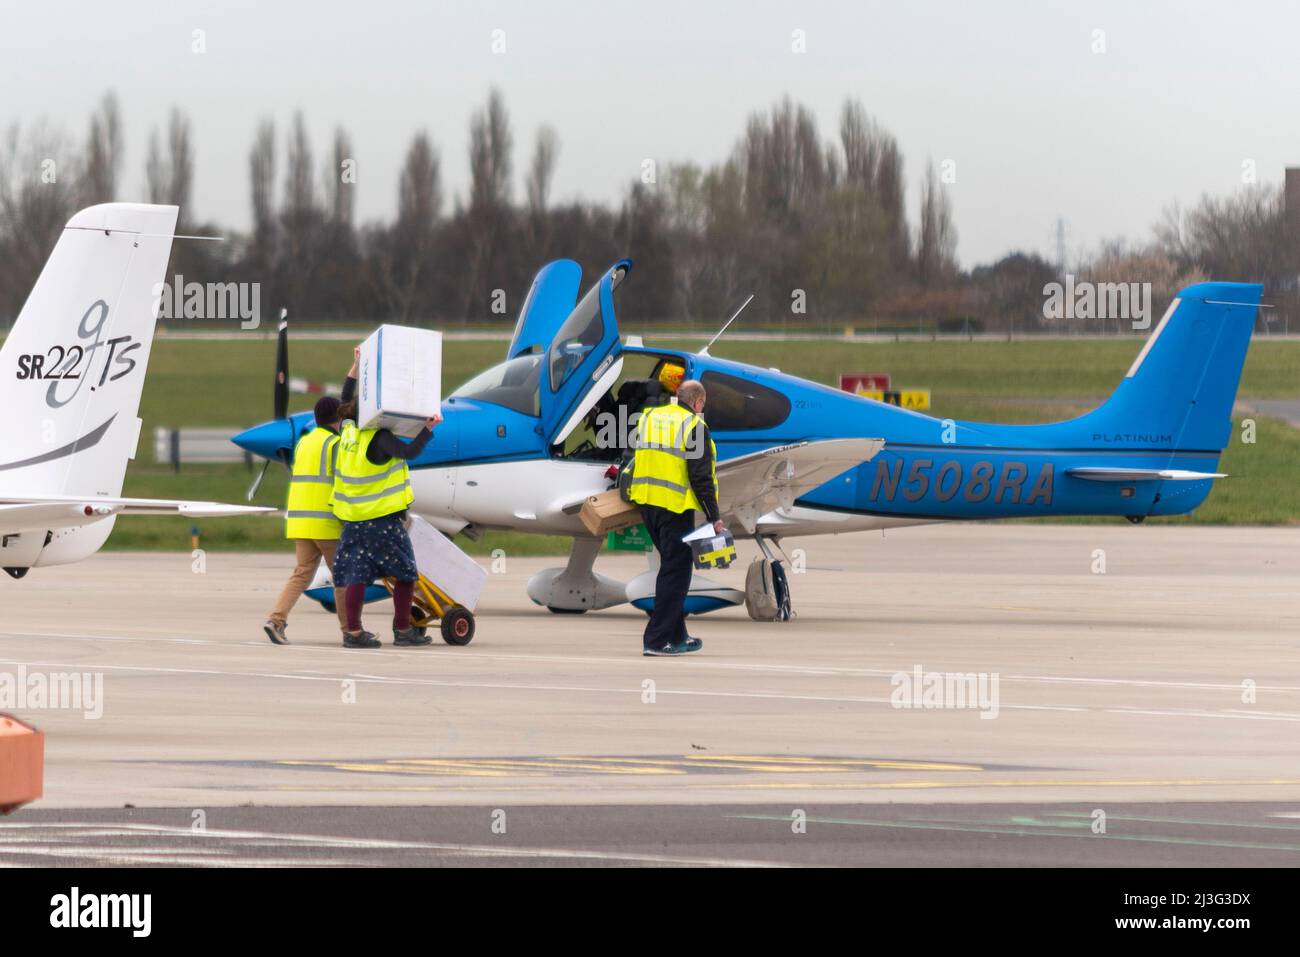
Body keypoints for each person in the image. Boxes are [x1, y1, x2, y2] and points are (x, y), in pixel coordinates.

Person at [330, 356, 442, 649]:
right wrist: (428, 429)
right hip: (382, 521)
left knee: (356, 575)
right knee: (405, 573)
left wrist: (355, 367)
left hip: (352, 520)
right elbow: (410, 453)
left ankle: (352, 633)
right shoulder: (378, 439)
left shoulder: (348, 432)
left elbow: (344, 397)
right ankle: (403, 630)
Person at [627, 378, 722, 657]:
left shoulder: (650, 417)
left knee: (671, 568)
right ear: (698, 402)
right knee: (676, 571)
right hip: (674, 507)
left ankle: (678, 635)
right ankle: (656, 640)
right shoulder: (694, 426)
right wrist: (714, 516)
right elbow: (700, 477)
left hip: (646, 503)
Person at [263, 394, 350, 644]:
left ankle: (276, 620)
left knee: (301, 574)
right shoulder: (335, 445)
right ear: (338, 418)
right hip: (326, 523)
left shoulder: (304, 443)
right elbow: (343, 482)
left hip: (301, 521)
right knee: (343, 578)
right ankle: (350, 631)